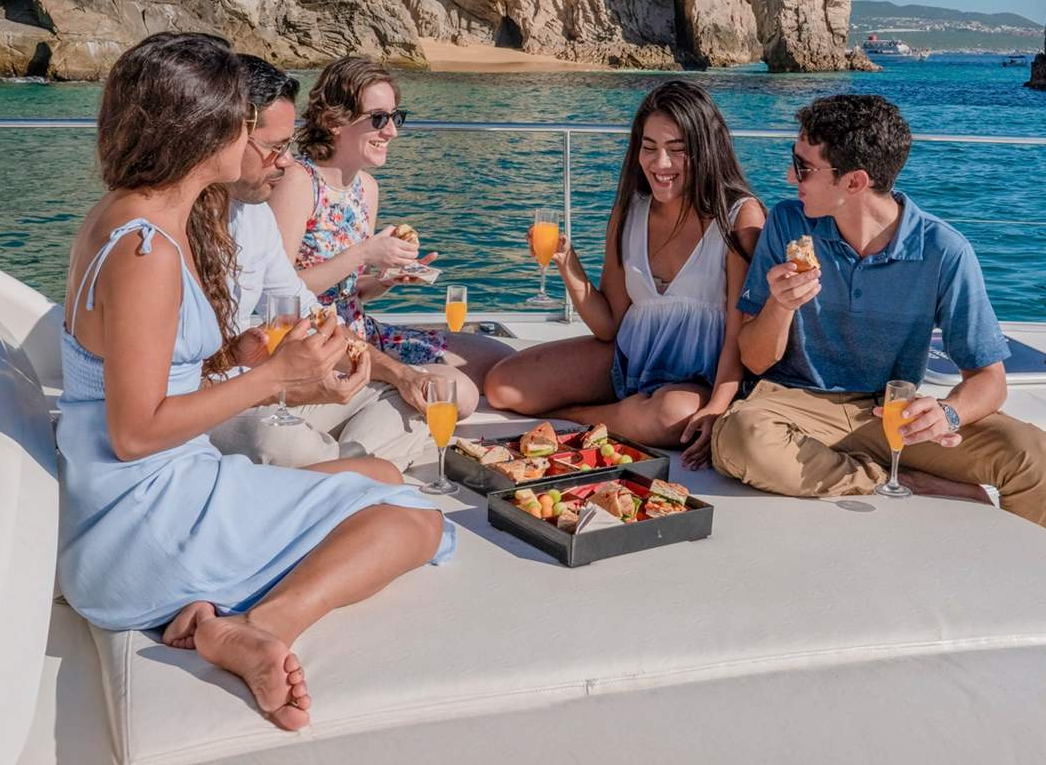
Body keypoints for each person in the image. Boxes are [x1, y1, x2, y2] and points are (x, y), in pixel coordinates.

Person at [56, 33, 452, 735]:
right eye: (241, 119)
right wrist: (271, 377)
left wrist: (231, 356)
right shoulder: (147, 247)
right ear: (200, 128)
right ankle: (258, 624)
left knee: (379, 470)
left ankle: (220, 607)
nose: (263, 140)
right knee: (416, 521)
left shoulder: (126, 216)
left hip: (123, 509)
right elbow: (136, 428)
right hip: (143, 524)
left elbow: (132, 372)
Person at [710, 93, 1046, 525]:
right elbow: (755, 358)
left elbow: (988, 380)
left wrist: (947, 413)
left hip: (888, 414)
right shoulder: (788, 224)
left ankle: (1021, 581)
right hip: (794, 405)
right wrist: (779, 306)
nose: (790, 176)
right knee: (740, 440)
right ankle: (904, 480)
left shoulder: (944, 251)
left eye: (805, 167)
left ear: (854, 182)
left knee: (1032, 455)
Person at [483, 81, 765, 457]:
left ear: (705, 150)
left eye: (676, 151)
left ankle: (575, 419)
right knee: (504, 385)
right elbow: (608, 324)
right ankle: (620, 416)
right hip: (629, 362)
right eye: (649, 148)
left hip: (699, 380)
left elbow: (738, 331)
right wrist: (568, 262)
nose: (659, 164)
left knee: (671, 416)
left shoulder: (739, 217)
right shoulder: (630, 210)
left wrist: (718, 405)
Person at [210, 54, 434, 470]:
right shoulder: (167, 229)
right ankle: (353, 470)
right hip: (228, 397)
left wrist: (398, 374)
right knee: (278, 441)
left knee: (420, 404)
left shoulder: (253, 214)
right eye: (276, 147)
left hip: (288, 376)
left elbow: (305, 310)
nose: (287, 160)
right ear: (226, 139)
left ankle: (337, 470)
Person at [270, 55, 511, 416]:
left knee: (503, 362)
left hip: (362, 331)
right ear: (335, 121)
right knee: (455, 392)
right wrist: (365, 252)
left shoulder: (366, 188)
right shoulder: (298, 182)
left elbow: (350, 289)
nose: (392, 131)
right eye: (379, 119)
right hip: (318, 341)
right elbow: (280, 293)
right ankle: (389, 388)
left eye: (395, 117)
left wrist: (387, 278)